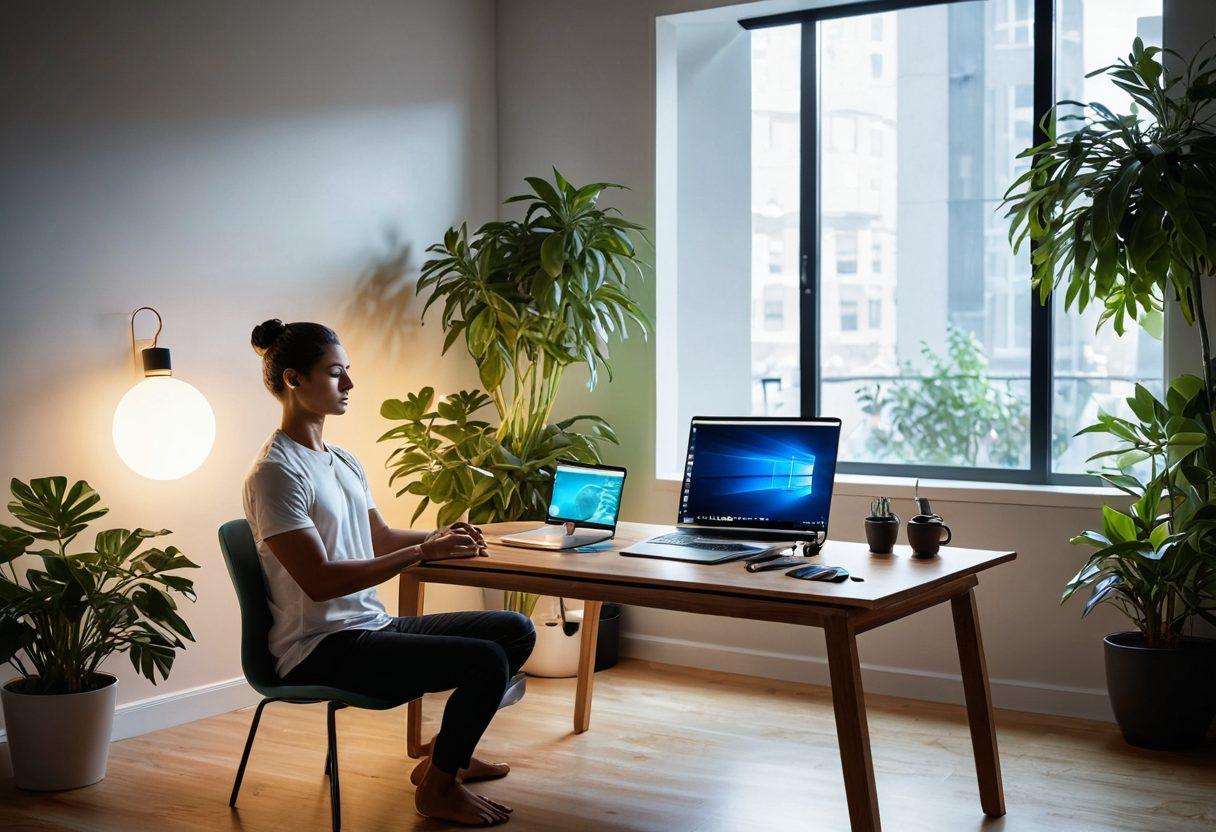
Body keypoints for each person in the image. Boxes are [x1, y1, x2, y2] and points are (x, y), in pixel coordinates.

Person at [241, 318, 534, 827]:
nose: (349, 384)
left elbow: (380, 539)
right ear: (293, 380)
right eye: (336, 374)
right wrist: (422, 555)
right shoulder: (274, 473)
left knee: (513, 631)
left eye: (347, 372)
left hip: (368, 626)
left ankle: (446, 760)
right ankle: (438, 790)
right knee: (485, 662)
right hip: (319, 648)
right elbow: (321, 580)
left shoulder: (343, 461)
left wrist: (444, 536)